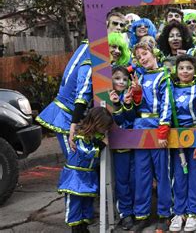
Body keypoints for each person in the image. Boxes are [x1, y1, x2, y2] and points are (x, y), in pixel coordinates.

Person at [128, 42, 173, 231]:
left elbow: (166, 105)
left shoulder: (164, 76)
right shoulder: (139, 76)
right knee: (142, 174)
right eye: (139, 57)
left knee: (162, 173)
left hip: (157, 130)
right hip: (140, 129)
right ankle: (142, 215)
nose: (143, 58)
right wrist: (136, 94)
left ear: (153, 53)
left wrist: (163, 131)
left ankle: (165, 214)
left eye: (145, 53)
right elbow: (139, 104)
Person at [169, 56, 196, 232]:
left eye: (189, 68)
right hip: (175, 143)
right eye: (181, 68)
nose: (185, 71)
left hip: (195, 141)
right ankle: (179, 212)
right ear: (176, 71)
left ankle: (193, 212)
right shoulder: (170, 89)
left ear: (195, 70)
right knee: (178, 176)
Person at [57, 107, 114, 232]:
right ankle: (76, 229)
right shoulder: (80, 134)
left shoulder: (95, 136)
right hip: (75, 176)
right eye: (103, 126)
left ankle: (83, 227)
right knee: (75, 204)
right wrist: (102, 144)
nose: (105, 130)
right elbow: (86, 152)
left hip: (87, 175)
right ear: (97, 123)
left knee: (87, 204)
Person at [36, 39, 92, 158]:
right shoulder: (87, 53)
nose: (118, 27)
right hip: (67, 115)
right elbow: (70, 83)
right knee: (74, 161)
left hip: (80, 117)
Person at [108, 66, 135, 230]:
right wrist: (117, 105)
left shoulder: (130, 95)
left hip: (135, 144)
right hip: (119, 148)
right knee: (122, 181)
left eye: (125, 79)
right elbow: (116, 122)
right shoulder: (106, 96)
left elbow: (131, 119)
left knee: (135, 180)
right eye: (117, 78)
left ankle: (137, 211)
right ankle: (125, 213)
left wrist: (127, 104)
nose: (121, 82)